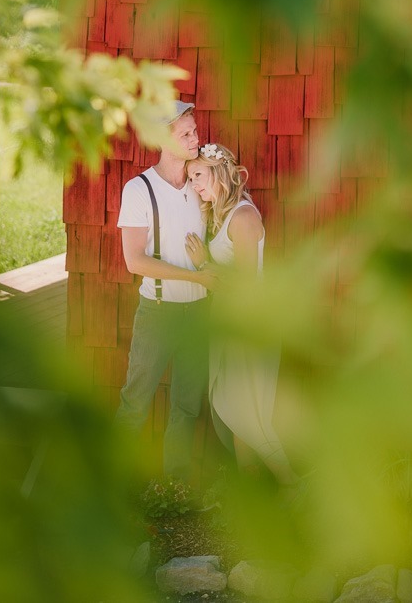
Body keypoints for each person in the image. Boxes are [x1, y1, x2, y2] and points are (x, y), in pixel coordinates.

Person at [115, 101, 216, 481]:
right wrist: (198, 278)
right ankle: (114, 483)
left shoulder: (200, 184)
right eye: (186, 134)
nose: (196, 138)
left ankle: (177, 485)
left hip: (199, 313)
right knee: (136, 401)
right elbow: (135, 262)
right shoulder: (139, 189)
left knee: (187, 405)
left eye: (195, 130)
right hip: (158, 312)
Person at [185, 143, 296, 485]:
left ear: (219, 172)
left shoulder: (244, 217)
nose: (194, 185)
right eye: (190, 178)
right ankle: (252, 489)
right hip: (230, 322)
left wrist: (204, 264)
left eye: (198, 175)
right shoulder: (222, 213)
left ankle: (293, 483)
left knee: (246, 411)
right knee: (236, 409)